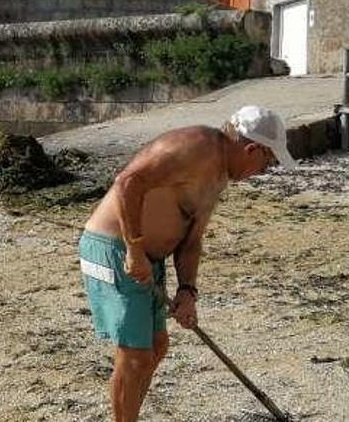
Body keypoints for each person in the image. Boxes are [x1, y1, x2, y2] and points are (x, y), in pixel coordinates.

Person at [78, 106, 296, 422]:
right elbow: (128, 182)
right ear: (252, 149)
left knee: (156, 346)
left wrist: (187, 291)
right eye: (267, 161)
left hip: (147, 259)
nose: (262, 170)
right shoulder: (196, 146)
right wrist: (135, 250)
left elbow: (191, 241)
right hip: (116, 250)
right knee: (136, 356)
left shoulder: (218, 175)